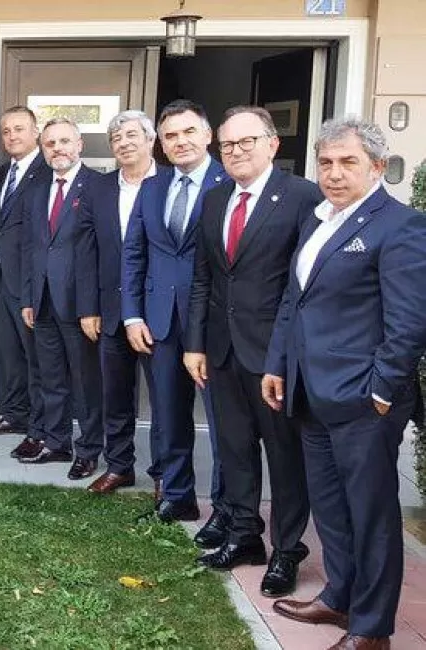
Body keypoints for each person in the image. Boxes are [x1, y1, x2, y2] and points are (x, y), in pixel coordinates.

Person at [267, 117, 426, 649]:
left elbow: (409, 322)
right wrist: (278, 364)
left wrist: (381, 391)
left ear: (376, 166)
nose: (334, 174)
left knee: (371, 516)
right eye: (326, 163)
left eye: (347, 162)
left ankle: (372, 629)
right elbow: (294, 301)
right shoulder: (320, 220)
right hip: (312, 392)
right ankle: (339, 597)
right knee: (331, 508)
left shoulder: (401, 226)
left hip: (364, 401)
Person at [185, 106, 320, 596]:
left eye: (247, 142)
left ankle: (286, 550)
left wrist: (284, 356)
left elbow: (302, 286)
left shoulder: (303, 197)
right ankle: (244, 535)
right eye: (228, 145)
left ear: (272, 144)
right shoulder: (215, 198)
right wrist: (195, 344)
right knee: (235, 450)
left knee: (284, 458)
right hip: (221, 351)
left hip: (274, 357)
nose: (237, 151)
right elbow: (204, 277)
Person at [121, 100, 227, 527]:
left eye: (188, 132)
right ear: (160, 144)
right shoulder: (153, 187)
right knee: (168, 415)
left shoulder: (228, 183)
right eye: (170, 136)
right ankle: (178, 496)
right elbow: (134, 254)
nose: (180, 141)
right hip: (159, 320)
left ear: (207, 135)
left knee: (224, 424)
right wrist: (132, 315)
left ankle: (226, 508)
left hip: (215, 324)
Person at [75, 110, 164, 495]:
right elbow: (85, 250)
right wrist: (88, 307)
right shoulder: (99, 188)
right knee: (115, 395)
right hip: (111, 310)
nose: (124, 143)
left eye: (131, 135)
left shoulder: (170, 183)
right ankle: (120, 466)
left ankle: (165, 474)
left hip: (160, 311)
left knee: (164, 399)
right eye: (116, 138)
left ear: (150, 139)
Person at [19, 117, 103, 478]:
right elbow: (30, 248)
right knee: (51, 378)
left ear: (79, 144)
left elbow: (102, 251)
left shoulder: (98, 186)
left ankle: (89, 450)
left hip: (80, 304)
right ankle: (56, 442)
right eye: (50, 143)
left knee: (85, 382)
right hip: (42, 301)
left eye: (65, 141)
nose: (58, 149)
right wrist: (28, 298)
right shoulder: (37, 191)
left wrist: (92, 307)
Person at [0, 106, 44, 442]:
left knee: (36, 357)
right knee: (10, 354)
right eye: (6, 131)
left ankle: (40, 427)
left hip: (32, 280)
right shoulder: (2, 172)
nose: (12, 136)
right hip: (3, 278)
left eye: (19, 129)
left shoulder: (47, 170)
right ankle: (14, 416)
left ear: (35, 132)